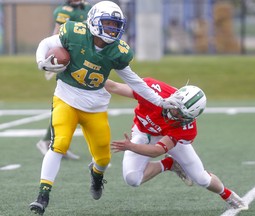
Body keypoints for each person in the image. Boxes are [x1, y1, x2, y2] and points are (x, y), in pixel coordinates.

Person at [29, 1, 181, 215]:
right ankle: (42, 196)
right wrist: (40, 62)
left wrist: (160, 101)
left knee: (103, 158)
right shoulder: (75, 32)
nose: (112, 28)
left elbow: (136, 82)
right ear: (93, 21)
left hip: (95, 106)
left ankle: (96, 175)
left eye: (115, 25)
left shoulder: (118, 51)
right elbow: (46, 43)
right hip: (66, 98)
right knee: (59, 143)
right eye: (107, 23)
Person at [108, 77, 249, 211]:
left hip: (166, 139)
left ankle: (227, 195)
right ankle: (169, 164)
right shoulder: (153, 91)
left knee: (202, 179)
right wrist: (88, 76)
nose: (176, 115)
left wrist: (131, 146)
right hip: (143, 133)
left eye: (183, 115)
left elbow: (157, 150)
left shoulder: (186, 128)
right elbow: (114, 86)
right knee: (132, 179)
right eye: (177, 109)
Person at [36, 0, 92, 160]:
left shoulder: (88, 8)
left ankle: (55, 142)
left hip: (82, 58)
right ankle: (49, 141)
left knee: (75, 105)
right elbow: (56, 34)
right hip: (68, 60)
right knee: (66, 103)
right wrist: (53, 60)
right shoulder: (64, 10)